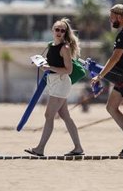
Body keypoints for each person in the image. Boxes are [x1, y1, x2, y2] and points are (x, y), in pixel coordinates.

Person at [24, 18, 85, 157]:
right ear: (52, 30)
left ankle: (40, 149)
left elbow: (68, 70)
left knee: (48, 115)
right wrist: (40, 62)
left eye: (62, 30)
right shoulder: (51, 46)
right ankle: (78, 148)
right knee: (65, 116)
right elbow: (52, 63)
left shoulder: (65, 48)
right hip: (53, 82)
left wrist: (49, 67)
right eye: (57, 29)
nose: (59, 32)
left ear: (65, 33)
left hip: (61, 82)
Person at [90, 4, 123, 156]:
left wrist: (100, 75)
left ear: (119, 17)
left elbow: (114, 58)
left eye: (111, 17)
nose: (110, 20)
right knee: (111, 107)